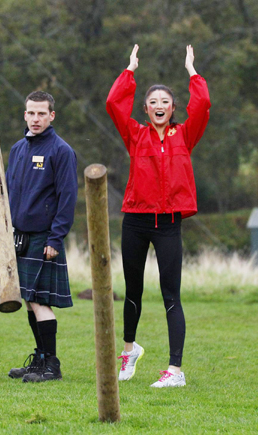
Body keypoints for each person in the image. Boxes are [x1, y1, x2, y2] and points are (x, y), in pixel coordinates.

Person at [106, 45, 210, 388]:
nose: (159, 106)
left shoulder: (185, 134)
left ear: (173, 108)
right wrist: (130, 71)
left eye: (165, 102)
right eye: (153, 102)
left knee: (170, 294)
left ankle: (175, 371)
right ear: (146, 109)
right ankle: (129, 349)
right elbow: (112, 104)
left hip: (168, 225)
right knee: (133, 289)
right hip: (135, 220)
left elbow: (204, 105)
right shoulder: (135, 135)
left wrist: (192, 72)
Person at [6, 91, 78, 383]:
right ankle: (39, 357)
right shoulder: (17, 149)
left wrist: (55, 239)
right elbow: (11, 191)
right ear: (25, 115)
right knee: (29, 299)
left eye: (41, 114)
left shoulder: (61, 151)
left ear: (52, 116)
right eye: (30, 113)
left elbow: (67, 198)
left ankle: (52, 365)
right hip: (21, 236)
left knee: (39, 301)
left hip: (44, 237)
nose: (35, 119)